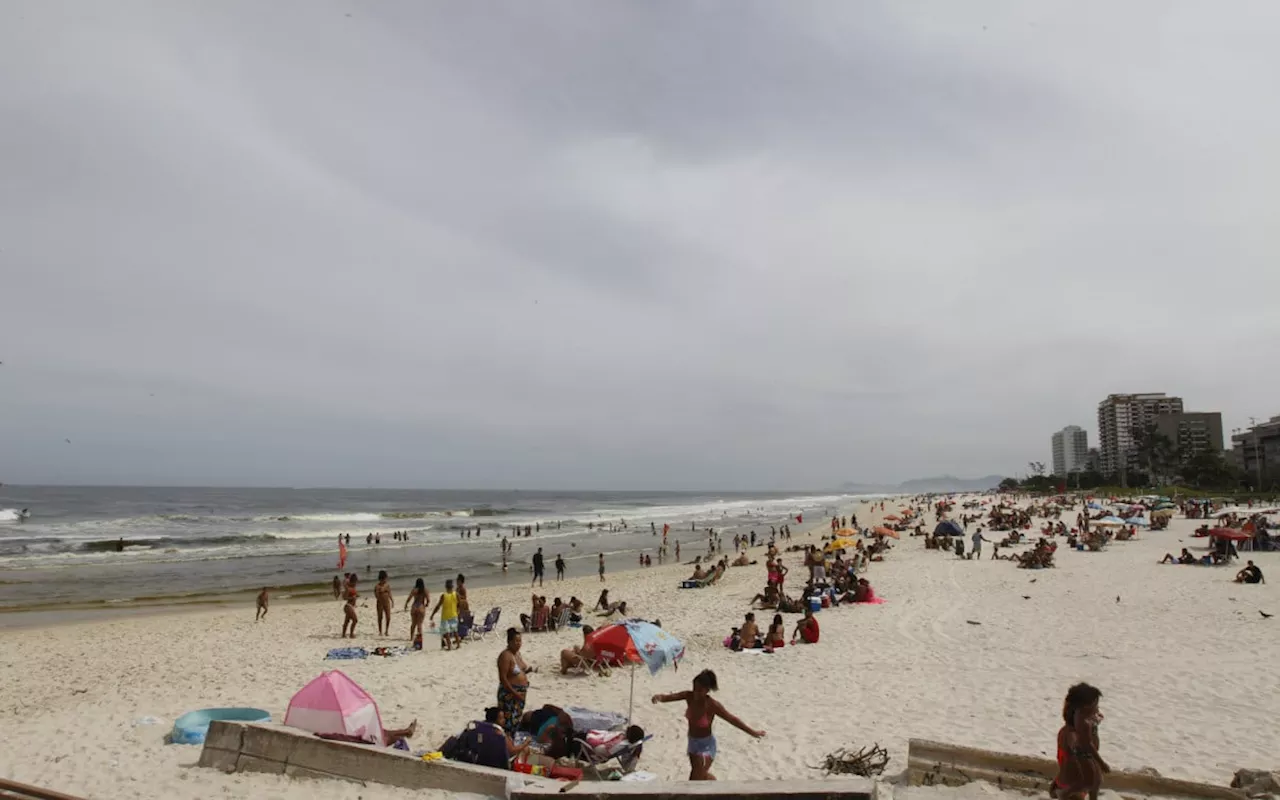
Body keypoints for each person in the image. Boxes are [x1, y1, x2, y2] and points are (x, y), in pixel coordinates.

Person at [651, 669, 765, 780]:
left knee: (694, 778)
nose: (696, 692)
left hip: (706, 746)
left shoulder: (712, 705)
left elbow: (732, 719)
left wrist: (753, 732)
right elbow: (670, 697)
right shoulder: (689, 696)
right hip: (692, 743)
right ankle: (712, 782)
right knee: (699, 776)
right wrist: (659, 697)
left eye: (699, 690)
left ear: (707, 690)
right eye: (694, 688)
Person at [1053, 683, 1109, 800]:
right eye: (1094, 706)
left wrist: (1093, 728)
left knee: (1096, 780)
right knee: (1091, 781)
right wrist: (1101, 763)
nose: (1096, 710)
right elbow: (1085, 747)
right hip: (1073, 782)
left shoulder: (1079, 725)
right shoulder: (1072, 733)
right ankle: (1063, 794)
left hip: (1075, 776)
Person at [497, 628, 535, 736]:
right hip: (510, 694)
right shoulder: (505, 656)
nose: (519, 644)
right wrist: (515, 693)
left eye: (520, 641)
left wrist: (527, 671)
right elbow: (503, 678)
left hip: (519, 693)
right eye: (516, 641)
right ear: (509, 642)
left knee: (516, 720)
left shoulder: (517, 654)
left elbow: (519, 671)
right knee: (508, 722)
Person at [430, 578, 461, 651]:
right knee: (455, 631)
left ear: (446, 586)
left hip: (445, 616)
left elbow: (438, 606)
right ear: (452, 586)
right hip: (454, 614)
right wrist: (458, 611)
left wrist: (432, 615)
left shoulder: (444, 595)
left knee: (446, 632)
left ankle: (449, 647)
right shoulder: (456, 594)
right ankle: (458, 645)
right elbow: (459, 604)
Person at [404, 578, 428, 643]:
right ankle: (420, 638)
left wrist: (406, 604)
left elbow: (409, 598)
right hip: (421, 606)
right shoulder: (424, 590)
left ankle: (411, 637)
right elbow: (428, 600)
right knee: (419, 624)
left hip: (414, 607)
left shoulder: (414, 590)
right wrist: (426, 604)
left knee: (413, 623)